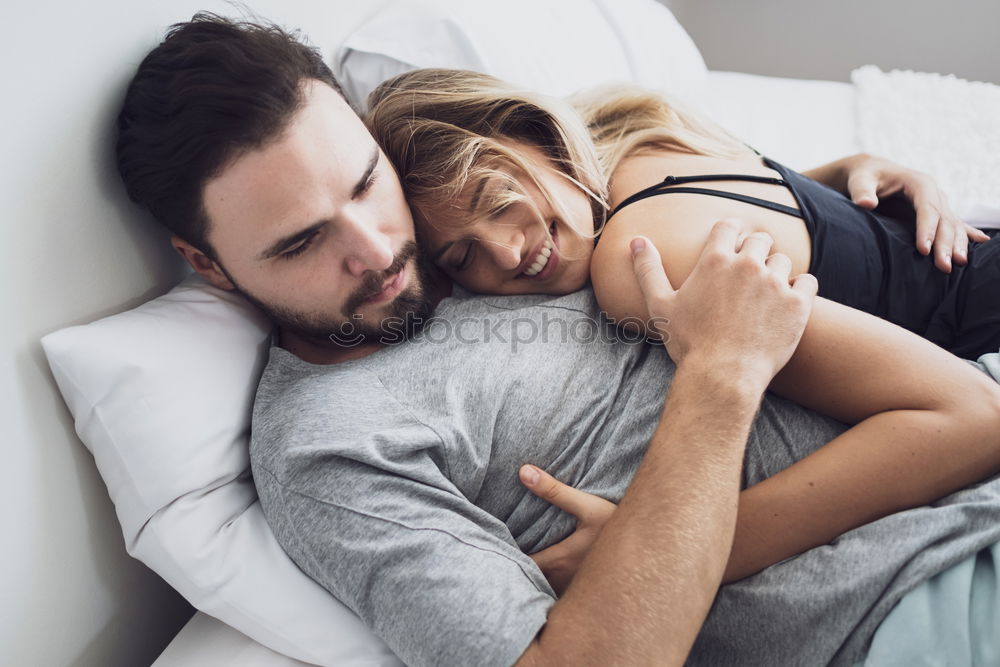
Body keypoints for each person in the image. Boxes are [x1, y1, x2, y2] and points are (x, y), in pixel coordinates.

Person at [114, 14, 1000, 667]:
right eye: (302, 242)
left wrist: (840, 187)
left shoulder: (474, 227)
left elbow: (647, 171)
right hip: (909, 602)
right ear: (211, 265)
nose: (378, 250)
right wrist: (719, 382)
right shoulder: (327, 445)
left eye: (364, 183)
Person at [366, 68, 1000, 360]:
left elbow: (952, 410)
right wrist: (859, 167)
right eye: (462, 256)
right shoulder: (644, 136)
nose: (506, 252)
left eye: (498, 202)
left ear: (533, 134)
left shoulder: (633, 262)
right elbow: (798, 213)